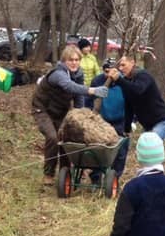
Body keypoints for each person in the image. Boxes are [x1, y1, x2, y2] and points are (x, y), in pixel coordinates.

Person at [32, 45, 109, 185]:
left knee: (67, 141)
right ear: (64, 61)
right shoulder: (58, 73)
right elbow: (68, 86)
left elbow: (78, 95)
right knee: (53, 138)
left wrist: (80, 115)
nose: (74, 63)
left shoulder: (78, 74)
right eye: (70, 60)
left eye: (76, 60)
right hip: (43, 109)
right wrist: (92, 91)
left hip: (61, 111)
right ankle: (48, 174)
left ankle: (65, 173)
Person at [105, 54, 165, 140]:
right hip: (148, 125)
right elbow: (128, 106)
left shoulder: (143, 75)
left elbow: (138, 90)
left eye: (123, 65)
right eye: (119, 66)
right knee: (146, 150)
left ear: (132, 62)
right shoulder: (127, 81)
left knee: (150, 146)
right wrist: (127, 129)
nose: (121, 69)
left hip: (162, 121)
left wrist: (119, 80)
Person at [90, 58, 128, 180]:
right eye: (106, 71)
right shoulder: (97, 81)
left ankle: (115, 177)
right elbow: (89, 100)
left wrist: (132, 120)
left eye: (112, 71)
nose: (109, 75)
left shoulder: (124, 81)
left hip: (120, 121)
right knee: (98, 149)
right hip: (102, 121)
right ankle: (96, 177)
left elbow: (134, 101)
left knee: (121, 149)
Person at [75, 38, 102, 108]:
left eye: (89, 47)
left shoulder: (92, 57)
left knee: (91, 105)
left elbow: (97, 70)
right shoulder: (77, 58)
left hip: (92, 86)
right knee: (82, 105)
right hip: (81, 86)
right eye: (86, 47)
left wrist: (99, 80)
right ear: (81, 48)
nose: (88, 49)